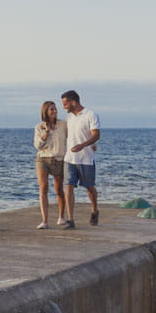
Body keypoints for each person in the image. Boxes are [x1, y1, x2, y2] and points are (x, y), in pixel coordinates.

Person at [60, 89, 101, 229]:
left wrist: (83, 145)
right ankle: (70, 220)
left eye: (65, 104)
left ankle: (94, 209)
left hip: (86, 159)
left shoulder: (91, 115)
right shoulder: (69, 118)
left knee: (90, 188)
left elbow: (96, 135)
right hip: (70, 158)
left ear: (73, 102)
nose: (64, 107)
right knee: (68, 186)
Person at [34, 101, 67, 229]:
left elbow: (74, 136)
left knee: (59, 190)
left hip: (59, 159)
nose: (54, 111)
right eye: (51, 109)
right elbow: (37, 146)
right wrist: (44, 135)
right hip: (43, 159)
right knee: (43, 188)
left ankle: (61, 216)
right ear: (45, 112)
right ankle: (44, 221)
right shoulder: (39, 127)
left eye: (55, 109)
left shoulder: (63, 125)